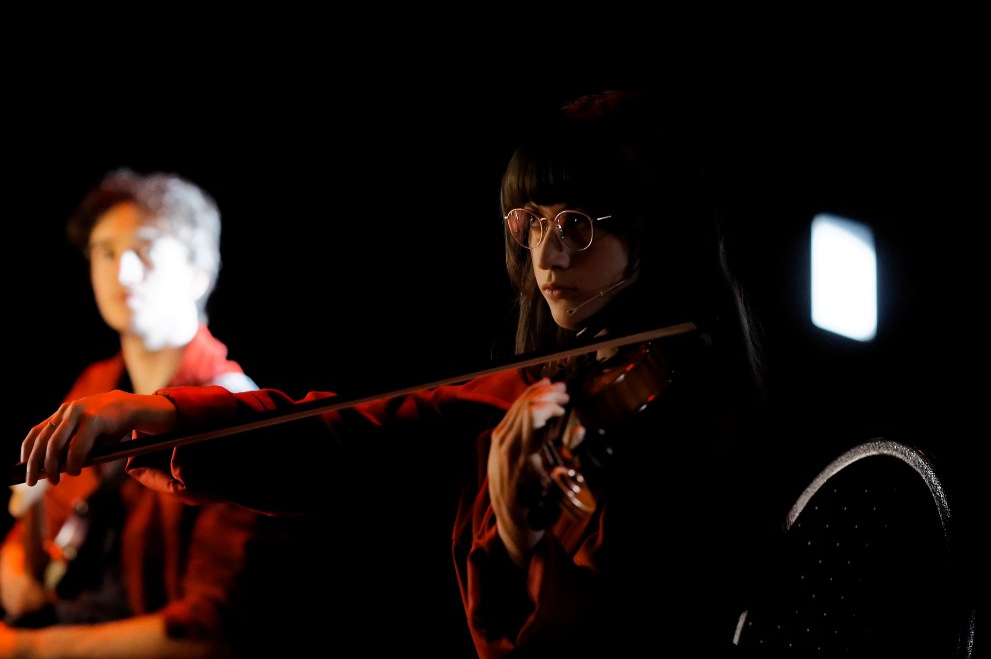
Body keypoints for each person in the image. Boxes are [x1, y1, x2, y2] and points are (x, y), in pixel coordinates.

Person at [19, 91, 782, 657]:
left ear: (652, 230)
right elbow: (350, 436)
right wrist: (161, 416)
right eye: (532, 223)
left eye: (577, 225)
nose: (546, 258)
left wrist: (518, 543)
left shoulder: (688, 421)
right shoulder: (544, 390)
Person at [1, 169, 344, 657]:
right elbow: (41, 517)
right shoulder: (96, 384)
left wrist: (29, 650)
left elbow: (211, 630)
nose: (121, 272)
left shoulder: (232, 407)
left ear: (198, 272)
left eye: (144, 249)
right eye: (105, 252)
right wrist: (15, 567)